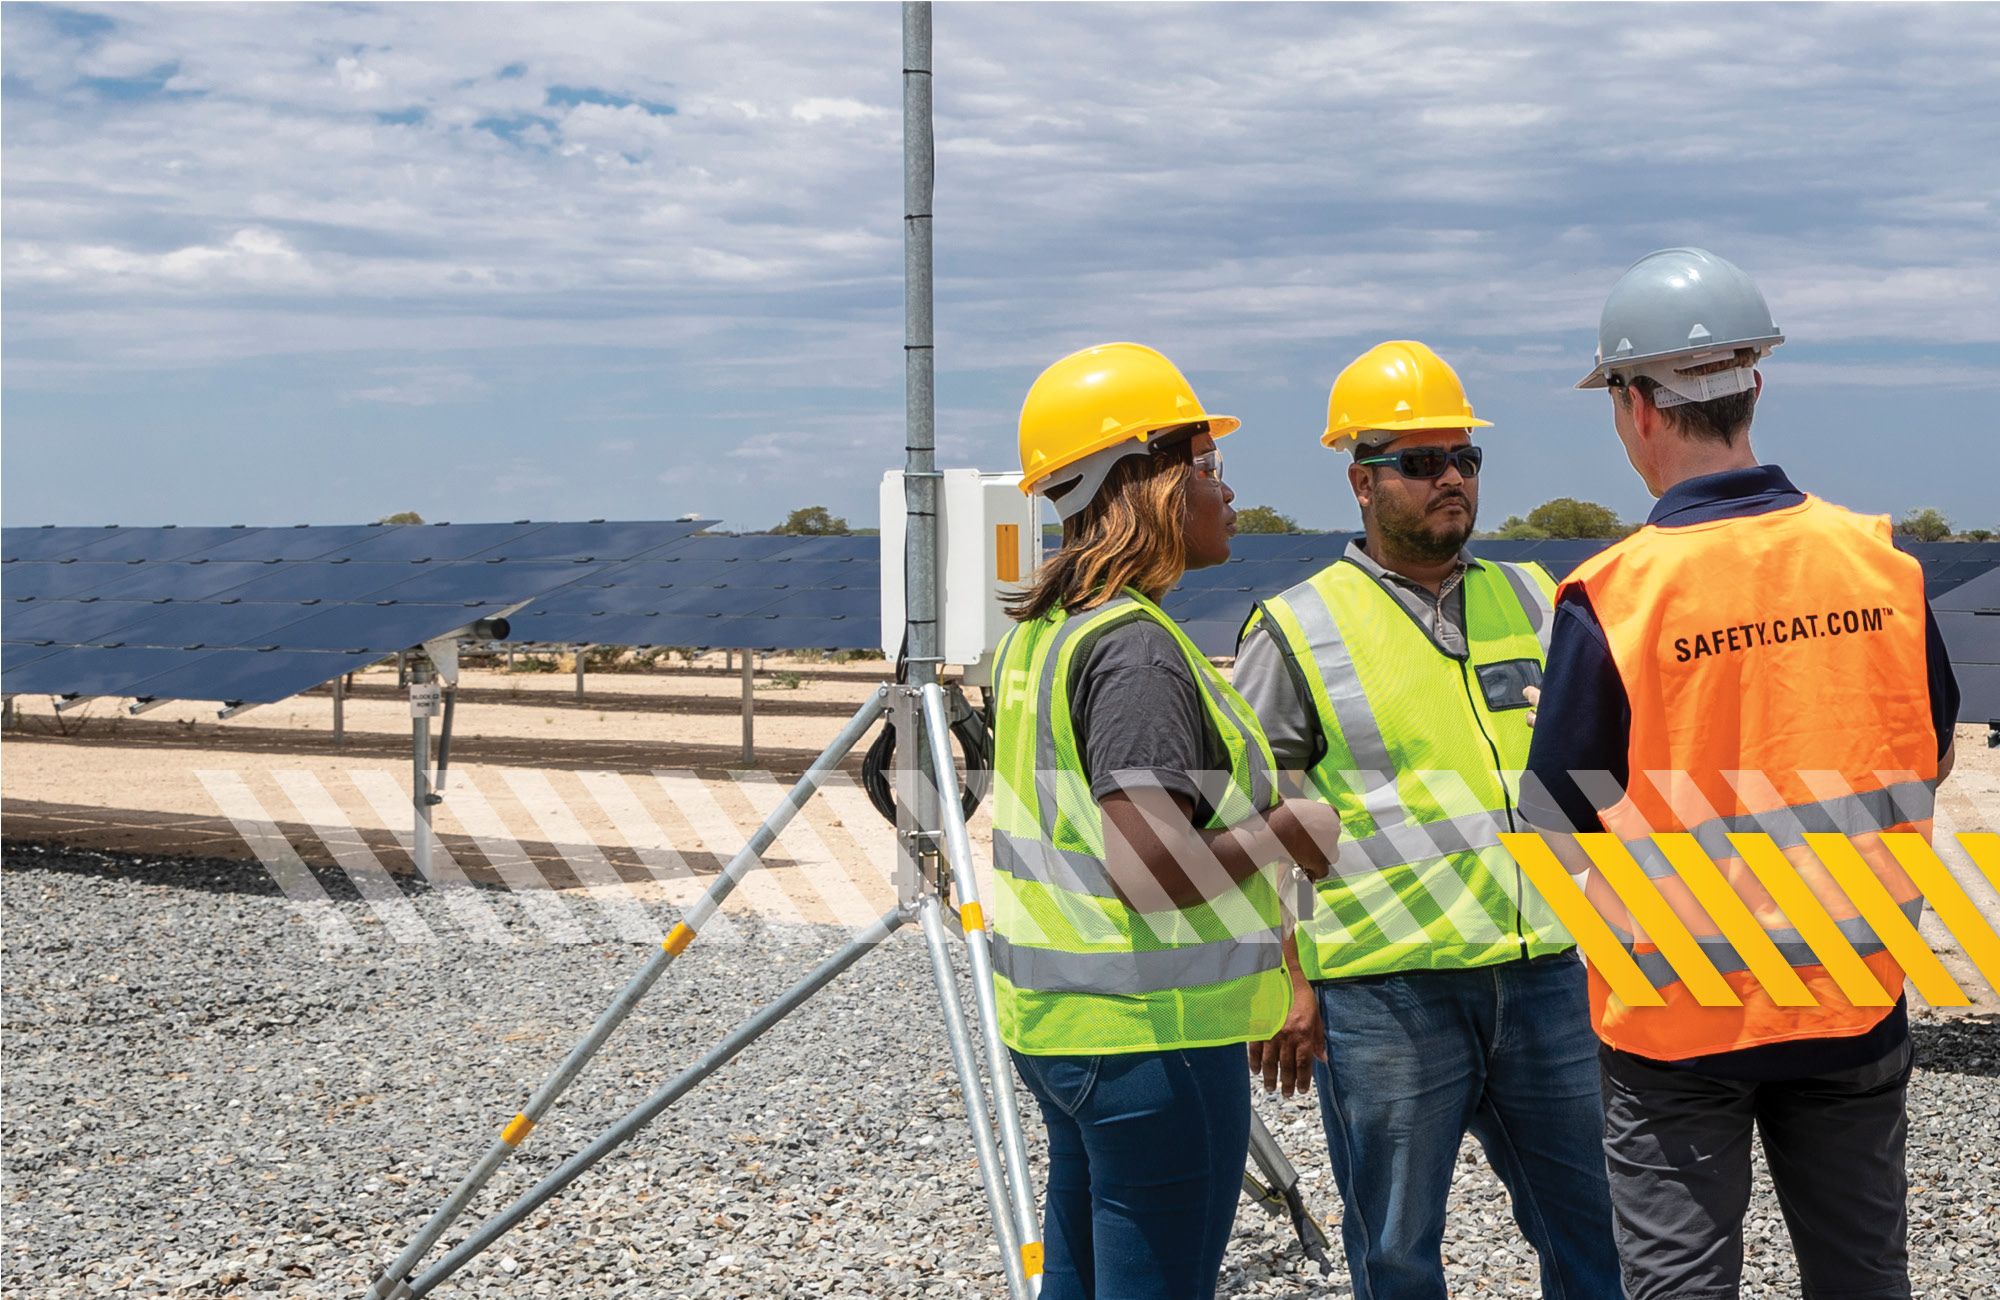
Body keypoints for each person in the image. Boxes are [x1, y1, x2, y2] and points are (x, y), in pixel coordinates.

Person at [1524, 247, 1961, 1300]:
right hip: (1849, 987)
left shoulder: (1616, 594)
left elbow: (1556, 815)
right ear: (1751, 385)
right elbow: (1931, 750)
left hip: (1672, 1015)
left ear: (1633, 407)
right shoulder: (1880, 566)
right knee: (1862, 1277)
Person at [1233, 340, 1620, 1299]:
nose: (1452, 478)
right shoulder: (1297, 627)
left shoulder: (1536, 601)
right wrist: (1282, 981)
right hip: (1384, 997)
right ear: (1362, 483)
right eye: (1421, 462)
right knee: (1398, 1250)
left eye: (1466, 459)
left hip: (1542, 979)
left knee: (1597, 1231)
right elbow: (1247, 830)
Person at [989, 341, 1345, 1300]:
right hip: (1154, 1039)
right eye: (1208, 465)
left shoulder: (1044, 638)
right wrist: (1291, 833)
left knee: (1082, 1274)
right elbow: (1147, 870)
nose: (1227, 493)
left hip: (1063, 1033)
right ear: (1147, 482)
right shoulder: (1139, 651)